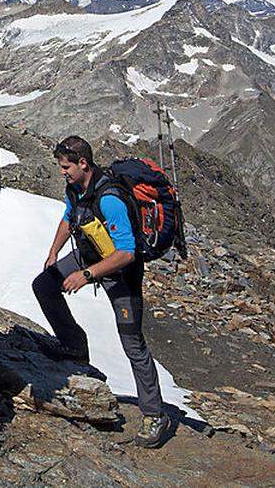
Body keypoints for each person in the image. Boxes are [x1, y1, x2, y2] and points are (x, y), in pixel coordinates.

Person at [30, 135, 171, 448]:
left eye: (66, 166)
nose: (62, 172)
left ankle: (154, 414)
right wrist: (54, 252)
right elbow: (70, 218)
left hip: (120, 272)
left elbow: (126, 253)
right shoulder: (76, 188)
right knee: (44, 284)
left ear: (83, 163)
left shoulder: (109, 199)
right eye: (60, 166)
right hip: (89, 253)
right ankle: (74, 345)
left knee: (132, 343)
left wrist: (86, 275)